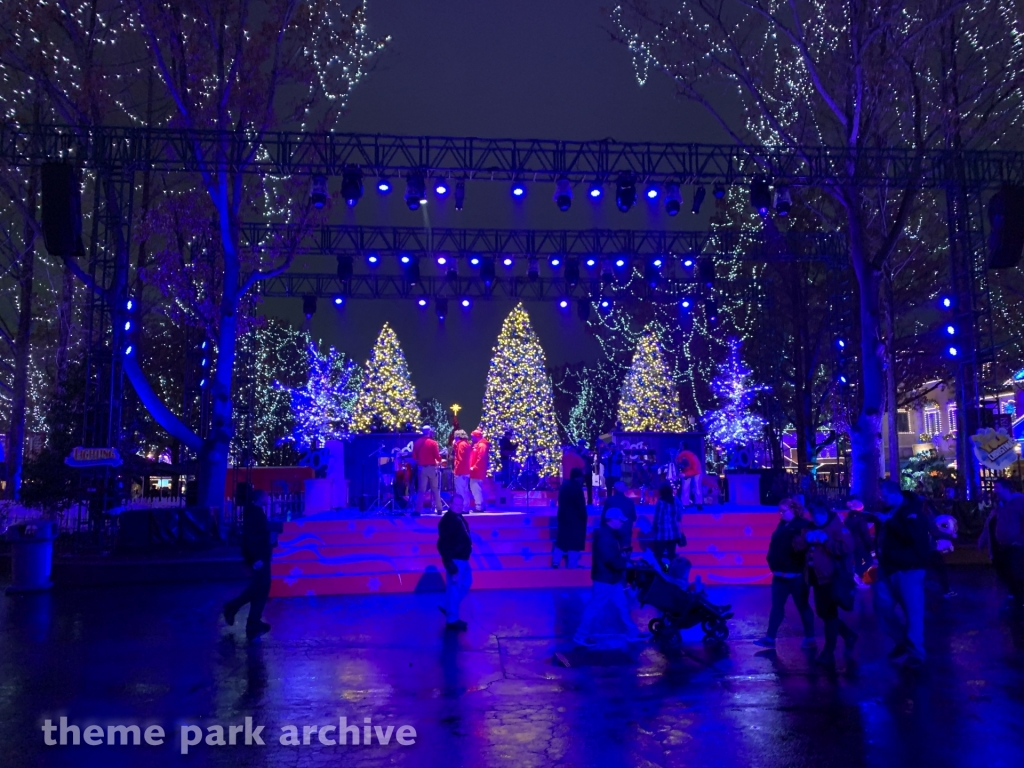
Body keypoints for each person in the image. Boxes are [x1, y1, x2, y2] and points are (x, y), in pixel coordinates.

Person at [873, 481, 933, 669]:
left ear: (893, 493)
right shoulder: (896, 511)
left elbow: (913, 536)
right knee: (882, 606)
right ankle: (904, 642)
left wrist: (888, 522)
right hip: (890, 565)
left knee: (912, 610)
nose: (882, 498)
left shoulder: (911, 511)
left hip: (909, 567)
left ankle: (916, 653)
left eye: (884, 495)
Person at [793, 502, 857, 667]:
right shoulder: (811, 526)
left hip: (832, 578)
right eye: (812, 516)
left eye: (817, 516)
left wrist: (825, 541)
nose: (815, 519)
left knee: (829, 614)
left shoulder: (837, 527)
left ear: (824, 514)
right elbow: (797, 545)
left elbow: (847, 548)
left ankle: (828, 652)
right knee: (823, 613)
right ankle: (847, 635)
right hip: (816, 577)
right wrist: (806, 540)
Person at [573, 507, 646, 647]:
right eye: (620, 520)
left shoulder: (607, 534)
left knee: (621, 605)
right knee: (595, 606)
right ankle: (580, 635)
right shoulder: (606, 536)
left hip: (610, 577)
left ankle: (632, 632)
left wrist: (625, 561)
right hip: (605, 578)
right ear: (612, 520)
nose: (622, 523)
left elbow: (611, 557)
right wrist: (626, 563)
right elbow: (609, 558)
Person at [754, 499, 817, 650]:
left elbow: (805, 548)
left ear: (794, 510)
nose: (780, 514)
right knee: (777, 607)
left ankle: (810, 638)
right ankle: (770, 638)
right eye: (780, 511)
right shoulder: (782, 525)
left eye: (784, 511)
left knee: (802, 606)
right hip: (780, 574)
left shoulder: (803, 525)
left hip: (796, 575)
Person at [223, 490, 281, 640]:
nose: (268, 497)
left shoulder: (255, 512)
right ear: (259, 498)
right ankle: (233, 607)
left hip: (261, 555)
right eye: (266, 496)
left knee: (262, 588)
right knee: (259, 587)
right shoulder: (255, 514)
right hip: (259, 556)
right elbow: (252, 538)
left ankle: (253, 622)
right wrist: (256, 558)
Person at [980, 477, 1024, 612]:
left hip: (1017, 545)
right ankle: (1017, 599)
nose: (995, 491)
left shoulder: (1019, 503)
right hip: (1006, 546)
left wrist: (1020, 540)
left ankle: (1020, 600)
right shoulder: (1002, 505)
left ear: (1006, 488)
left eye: (997, 488)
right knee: (1008, 573)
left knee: (1016, 573)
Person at [436, 493, 472, 631]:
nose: (459, 507)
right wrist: (451, 566)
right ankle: (452, 618)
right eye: (456, 504)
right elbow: (443, 545)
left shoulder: (458, 517)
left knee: (465, 584)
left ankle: (447, 606)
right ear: (450, 504)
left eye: (460, 505)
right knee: (455, 588)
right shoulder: (447, 521)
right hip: (455, 560)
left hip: (463, 558)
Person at [553, 467, 588, 568]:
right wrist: (584, 518)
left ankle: (556, 561)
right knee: (575, 543)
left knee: (561, 540)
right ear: (578, 478)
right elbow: (580, 506)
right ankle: (572, 564)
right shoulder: (577, 489)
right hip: (575, 519)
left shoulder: (564, 486)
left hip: (563, 516)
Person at [650, 481, 685, 566]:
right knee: (671, 555)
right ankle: (670, 572)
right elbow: (680, 516)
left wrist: (654, 528)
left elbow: (658, 518)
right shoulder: (676, 500)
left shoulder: (661, 502)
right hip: (674, 533)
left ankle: (662, 572)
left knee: (659, 555)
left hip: (662, 533)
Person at [412, 425, 443, 515]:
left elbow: (414, 457)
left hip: (421, 468)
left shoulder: (417, 443)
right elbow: (437, 456)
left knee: (421, 490)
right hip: (432, 468)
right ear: (429, 432)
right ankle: (439, 509)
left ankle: (418, 510)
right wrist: (440, 460)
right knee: (435, 489)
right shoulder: (433, 443)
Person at [844, 499, 875, 586]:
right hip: (861, 544)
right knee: (869, 561)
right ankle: (857, 574)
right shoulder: (860, 519)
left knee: (858, 562)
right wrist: (871, 546)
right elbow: (865, 534)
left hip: (851, 543)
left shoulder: (848, 519)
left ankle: (858, 581)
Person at [602, 480, 638, 550]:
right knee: (625, 551)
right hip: (626, 530)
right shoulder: (630, 501)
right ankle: (625, 560)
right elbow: (634, 517)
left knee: (611, 552)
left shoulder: (609, 500)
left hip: (611, 531)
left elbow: (604, 518)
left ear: (614, 489)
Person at [675, 444, 703, 508]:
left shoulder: (686, 454)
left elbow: (695, 470)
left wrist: (685, 474)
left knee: (696, 487)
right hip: (688, 470)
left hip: (696, 471)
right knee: (689, 487)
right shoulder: (683, 454)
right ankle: (687, 504)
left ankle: (697, 504)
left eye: (680, 446)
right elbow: (678, 462)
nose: (679, 447)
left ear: (683, 447)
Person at [469, 429, 490, 512]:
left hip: (477, 471)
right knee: (476, 488)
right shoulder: (479, 445)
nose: (472, 438)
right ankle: (480, 505)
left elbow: (481, 458)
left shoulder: (481, 446)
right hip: (476, 471)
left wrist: (474, 467)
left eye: (473, 436)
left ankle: (479, 506)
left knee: (476, 488)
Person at [451, 429, 472, 510]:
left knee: (460, 490)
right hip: (466, 470)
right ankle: (466, 506)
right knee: (465, 489)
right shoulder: (466, 444)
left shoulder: (460, 445)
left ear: (457, 436)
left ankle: (461, 507)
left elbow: (460, 460)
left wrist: (457, 472)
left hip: (461, 471)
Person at [576, 439, 595, 505]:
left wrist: (590, 457)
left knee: (589, 486)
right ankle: (579, 500)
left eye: (582, 444)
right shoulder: (576, 451)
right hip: (580, 471)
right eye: (580, 444)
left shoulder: (587, 451)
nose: (581, 445)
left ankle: (590, 501)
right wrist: (582, 454)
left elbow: (591, 461)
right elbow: (576, 459)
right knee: (579, 486)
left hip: (588, 470)